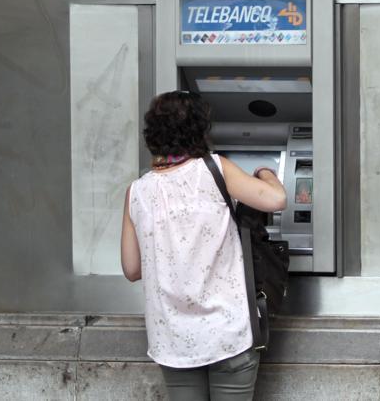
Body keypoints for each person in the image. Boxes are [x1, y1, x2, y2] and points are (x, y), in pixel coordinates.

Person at [120, 91, 287, 400]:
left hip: (174, 339)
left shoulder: (137, 192)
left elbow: (131, 268)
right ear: (200, 129)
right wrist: (267, 173)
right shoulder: (215, 170)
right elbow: (276, 199)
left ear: (153, 134)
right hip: (228, 333)